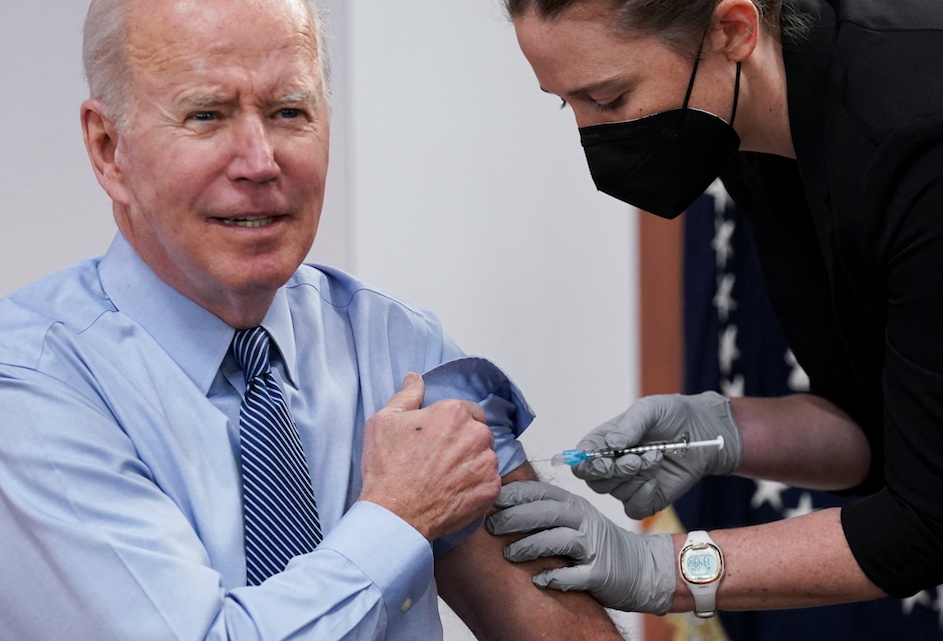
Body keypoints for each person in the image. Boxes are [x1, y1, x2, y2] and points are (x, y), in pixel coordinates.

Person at [0, 0, 627, 639]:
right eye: (206, 115)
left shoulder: (400, 349)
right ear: (108, 149)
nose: (259, 162)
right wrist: (397, 519)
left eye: (289, 112)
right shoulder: (30, 388)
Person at [485, 0, 943, 635]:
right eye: (568, 103)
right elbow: (883, 429)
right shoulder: (755, 132)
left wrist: (660, 568)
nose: (592, 135)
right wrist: (722, 432)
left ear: (734, 30)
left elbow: (935, 522)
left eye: (610, 98)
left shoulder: (939, 138)